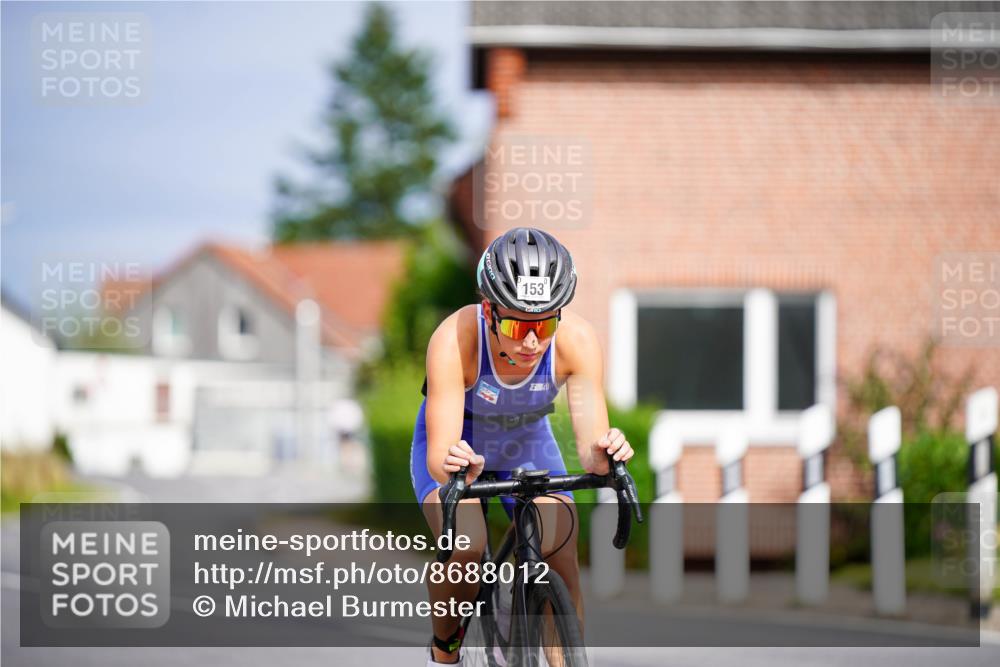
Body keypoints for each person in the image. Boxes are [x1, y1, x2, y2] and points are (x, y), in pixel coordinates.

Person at [410, 227, 634, 665]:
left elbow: (590, 447)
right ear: (489, 310)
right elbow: (440, 455)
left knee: (560, 553)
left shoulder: (579, 342)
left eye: (545, 323)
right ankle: (445, 647)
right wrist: (455, 464)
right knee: (467, 548)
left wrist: (606, 454)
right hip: (461, 444)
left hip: (527, 443)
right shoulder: (455, 339)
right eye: (516, 324)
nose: (532, 341)